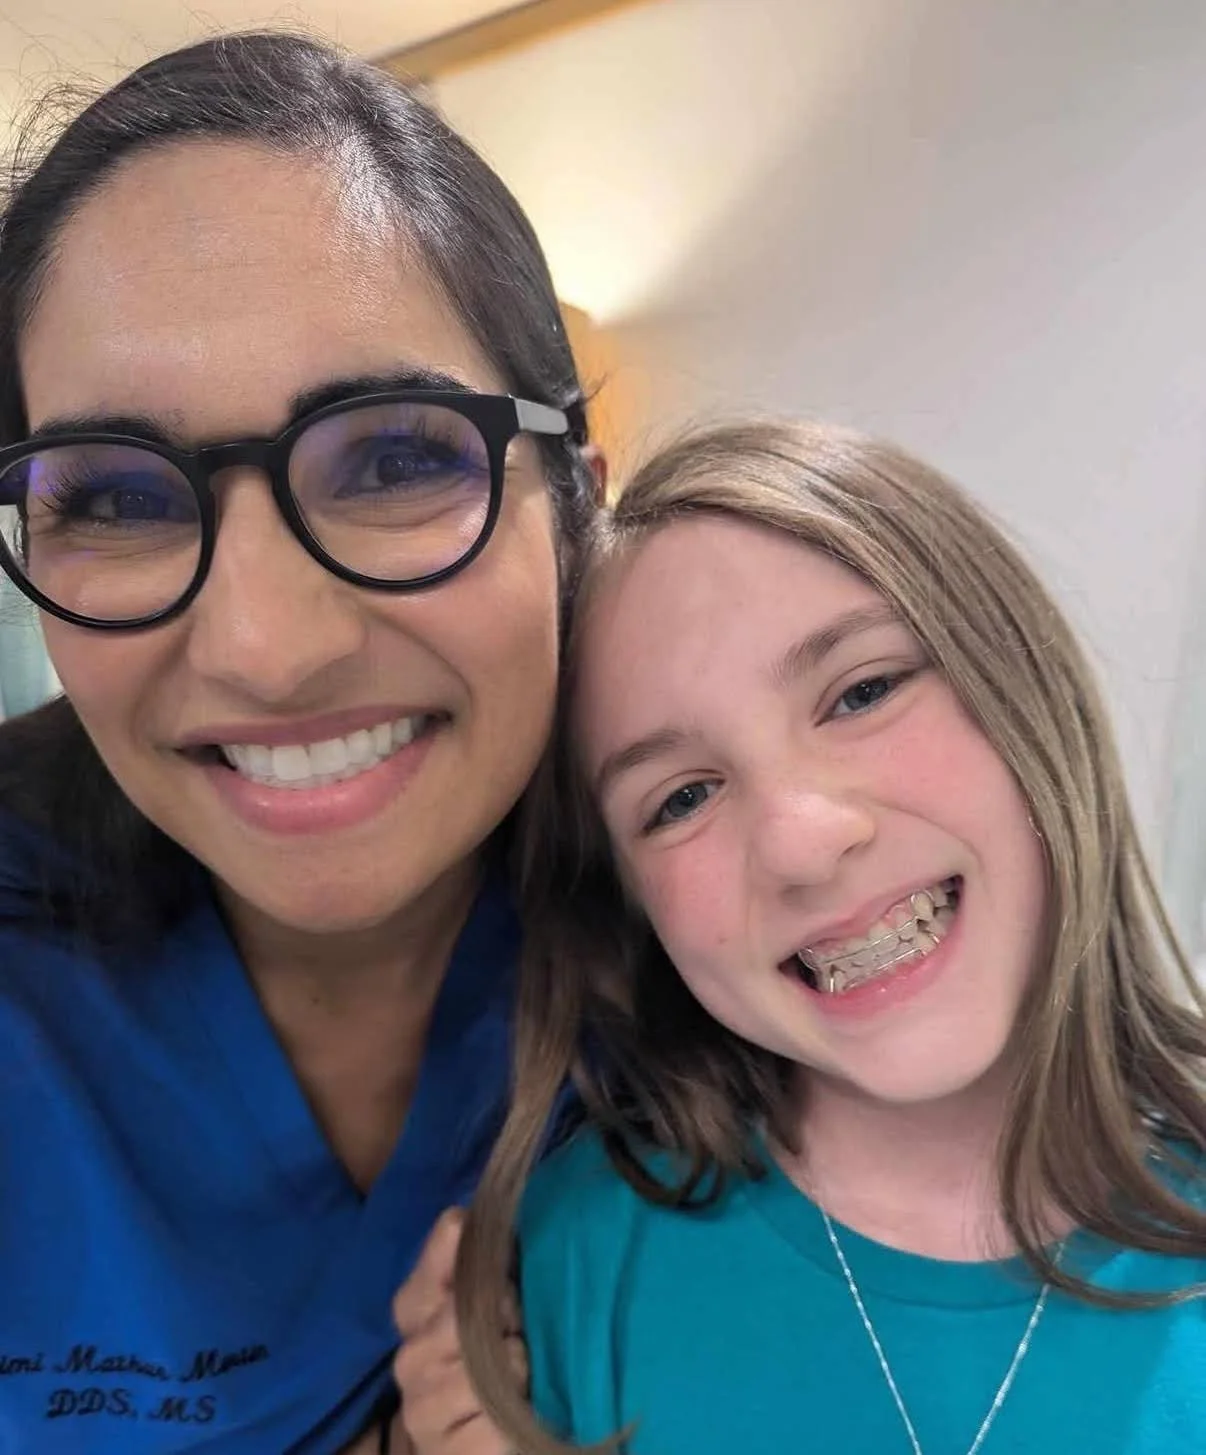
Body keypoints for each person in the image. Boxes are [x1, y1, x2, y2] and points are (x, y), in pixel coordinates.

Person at [0, 29, 598, 1455]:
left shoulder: (729, 921)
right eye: (119, 497)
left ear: (574, 494)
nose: (267, 646)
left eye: (395, 457)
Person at [422, 420, 1206, 1454]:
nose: (799, 843)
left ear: (1021, 679)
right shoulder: (582, 1255)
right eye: (683, 798)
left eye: (863, 691)